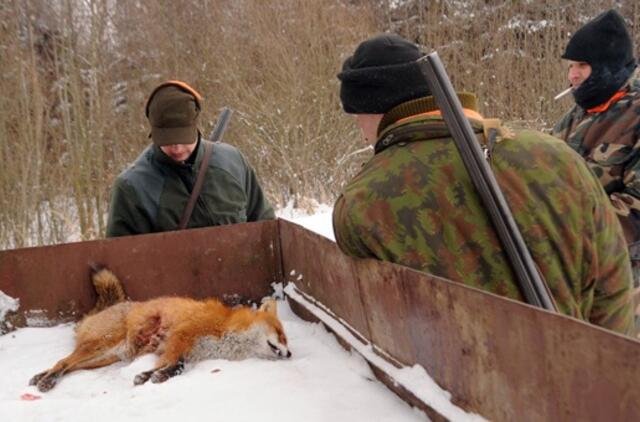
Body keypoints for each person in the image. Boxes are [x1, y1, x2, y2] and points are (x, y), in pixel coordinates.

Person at [333, 34, 635, 335]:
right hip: (580, 367)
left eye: (357, 118)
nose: (362, 134)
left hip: (444, 379)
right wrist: (599, 366)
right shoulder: (557, 155)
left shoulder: (360, 202)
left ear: (372, 111)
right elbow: (611, 288)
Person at [551, 9, 640, 328]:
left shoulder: (635, 116)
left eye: (582, 66)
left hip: (625, 280)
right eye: (571, 66)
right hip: (574, 271)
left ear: (608, 67)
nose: (572, 75)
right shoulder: (573, 119)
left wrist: (573, 226)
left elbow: (637, 207)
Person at [106, 80, 274, 237]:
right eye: (168, 140)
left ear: (195, 126)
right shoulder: (131, 188)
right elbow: (121, 260)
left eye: (182, 137)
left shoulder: (232, 162)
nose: (177, 148)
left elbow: (266, 226)